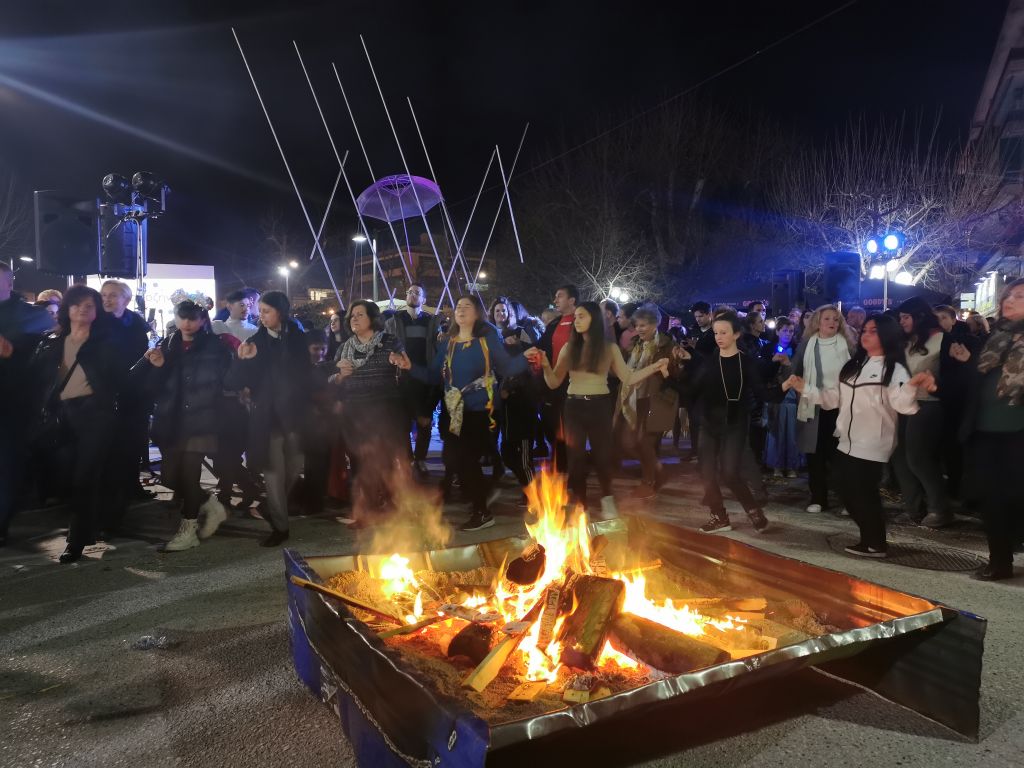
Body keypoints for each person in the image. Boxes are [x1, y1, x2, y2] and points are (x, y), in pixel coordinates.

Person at [792, 314, 935, 557]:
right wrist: (805, 388)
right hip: (846, 438)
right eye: (865, 330)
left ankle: (876, 543)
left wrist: (913, 384)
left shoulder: (894, 368)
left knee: (862, 492)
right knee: (844, 487)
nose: (866, 334)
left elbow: (902, 404)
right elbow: (833, 399)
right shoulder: (854, 365)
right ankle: (869, 539)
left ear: (887, 336)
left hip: (873, 440)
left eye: (873, 331)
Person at [393, 295, 530, 531]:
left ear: (477, 313)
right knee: (454, 460)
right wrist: (410, 368)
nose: (461, 310)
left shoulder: (487, 342)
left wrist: (528, 356)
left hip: (482, 412)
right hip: (454, 412)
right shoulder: (448, 344)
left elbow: (508, 367)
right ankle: (482, 501)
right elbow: (434, 376)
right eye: (458, 306)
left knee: (466, 460)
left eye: (467, 306)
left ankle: (482, 510)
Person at [530, 302, 668, 518]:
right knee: (575, 458)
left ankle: (607, 496)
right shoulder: (569, 347)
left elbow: (628, 378)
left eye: (581, 316)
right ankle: (579, 501)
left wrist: (655, 366)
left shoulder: (609, 348)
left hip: (600, 405)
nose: (576, 320)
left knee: (603, 456)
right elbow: (554, 382)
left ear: (594, 319)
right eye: (575, 316)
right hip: (574, 405)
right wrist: (546, 365)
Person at [675, 312, 794, 534]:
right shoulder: (710, 362)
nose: (719, 337)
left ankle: (754, 512)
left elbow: (763, 394)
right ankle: (719, 517)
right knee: (706, 472)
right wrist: (669, 376)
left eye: (724, 332)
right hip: (709, 423)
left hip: (735, 423)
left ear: (736, 334)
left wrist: (784, 386)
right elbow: (691, 390)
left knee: (730, 473)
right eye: (716, 332)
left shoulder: (747, 363)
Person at [29, 285, 123, 563]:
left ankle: (77, 540)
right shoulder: (52, 342)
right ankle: (94, 523)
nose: (83, 309)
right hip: (63, 415)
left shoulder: (106, 343)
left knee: (84, 477)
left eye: (90, 305)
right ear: (67, 309)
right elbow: (37, 380)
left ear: (96, 312)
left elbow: (121, 380)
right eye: (77, 305)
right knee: (68, 476)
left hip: (96, 415)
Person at [140, 301, 235, 551]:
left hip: (202, 420)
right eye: (182, 317)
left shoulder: (216, 347)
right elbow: (153, 385)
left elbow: (229, 381)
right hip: (172, 420)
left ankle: (189, 528)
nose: (187, 323)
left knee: (190, 473)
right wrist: (158, 367)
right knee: (171, 477)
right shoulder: (167, 344)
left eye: (193, 318)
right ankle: (211, 504)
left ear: (203, 320)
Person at [225, 291, 311, 547]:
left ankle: (269, 506)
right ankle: (280, 526)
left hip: (295, 416)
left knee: (295, 468)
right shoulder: (254, 342)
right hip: (268, 417)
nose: (260, 316)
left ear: (280, 312)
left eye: (266, 311)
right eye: (259, 311)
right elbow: (232, 382)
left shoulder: (297, 337)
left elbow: (305, 373)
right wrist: (242, 361)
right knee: (274, 474)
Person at [958, 278, 1024, 580]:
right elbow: (978, 380)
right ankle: (999, 560)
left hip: (1017, 432)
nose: (1010, 300)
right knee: (992, 498)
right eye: (1008, 295)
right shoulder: (996, 338)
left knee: (1014, 496)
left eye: (1019, 296)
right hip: (986, 431)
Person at [332, 299, 406, 516]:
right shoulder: (344, 348)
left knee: (385, 460)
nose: (354, 318)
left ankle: (393, 506)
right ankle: (367, 508)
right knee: (359, 461)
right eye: (352, 315)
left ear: (373, 318)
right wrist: (338, 376)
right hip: (355, 412)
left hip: (385, 411)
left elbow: (405, 366)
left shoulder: (390, 341)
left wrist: (400, 362)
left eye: (360, 314)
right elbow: (331, 378)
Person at [0, 262, 54, 546]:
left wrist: (13, 348)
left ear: (9, 283)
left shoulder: (29, 315)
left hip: (13, 403)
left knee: (6, 464)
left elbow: (39, 340)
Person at [889, 296, 949, 527]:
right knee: (900, 456)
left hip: (928, 404)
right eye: (900, 317)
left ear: (919, 317)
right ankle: (912, 507)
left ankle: (939, 508)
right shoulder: (906, 342)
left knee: (918, 458)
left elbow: (952, 377)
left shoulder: (942, 340)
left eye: (906, 317)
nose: (902, 321)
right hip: (903, 403)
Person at [99, 279, 154, 528]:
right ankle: (112, 505)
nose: (107, 300)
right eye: (104, 295)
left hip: (134, 395)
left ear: (126, 299)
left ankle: (132, 486)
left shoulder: (136, 326)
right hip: (107, 395)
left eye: (113, 295)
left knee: (134, 444)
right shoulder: (98, 324)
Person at [792, 305, 855, 513]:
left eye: (836, 319)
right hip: (814, 407)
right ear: (817, 321)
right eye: (827, 318)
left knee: (840, 457)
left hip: (840, 406)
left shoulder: (847, 345)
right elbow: (796, 370)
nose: (832, 323)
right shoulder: (807, 344)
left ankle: (847, 500)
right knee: (815, 456)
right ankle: (818, 498)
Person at [614, 305, 681, 498]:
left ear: (655, 324)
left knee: (646, 442)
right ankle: (658, 470)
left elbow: (676, 373)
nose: (640, 329)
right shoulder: (635, 343)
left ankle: (648, 481)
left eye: (644, 325)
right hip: (635, 397)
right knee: (628, 442)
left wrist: (670, 367)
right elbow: (626, 369)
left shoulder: (667, 344)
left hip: (659, 398)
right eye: (637, 325)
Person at [385, 284, 444, 479]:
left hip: (424, 377)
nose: (412, 295)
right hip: (401, 378)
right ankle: (408, 459)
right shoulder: (395, 320)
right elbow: (386, 344)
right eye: (410, 292)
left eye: (417, 292)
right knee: (401, 423)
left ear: (424, 299)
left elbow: (438, 347)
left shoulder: (432, 322)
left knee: (424, 421)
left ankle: (420, 459)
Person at [490, 296, 540, 493]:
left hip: (521, 400)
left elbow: (531, 360)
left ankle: (533, 495)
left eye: (504, 311)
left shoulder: (521, 333)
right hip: (502, 402)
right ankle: (528, 488)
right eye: (497, 311)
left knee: (523, 452)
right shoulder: (491, 337)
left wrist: (518, 345)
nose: (501, 314)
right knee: (507, 450)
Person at [933, 305, 980, 499]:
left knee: (963, 445)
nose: (940, 321)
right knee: (948, 445)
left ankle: (966, 489)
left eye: (944, 317)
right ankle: (953, 485)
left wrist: (964, 360)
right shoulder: (932, 341)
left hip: (963, 399)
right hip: (941, 398)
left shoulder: (970, 340)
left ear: (953, 320)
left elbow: (976, 368)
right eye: (936, 318)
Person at [537, 285, 579, 472]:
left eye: (559, 296)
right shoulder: (554, 324)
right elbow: (541, 346)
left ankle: (567, 467)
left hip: (574, 383)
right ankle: (558, 459)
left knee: (570, 428)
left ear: (572, 300)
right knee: (551, 424)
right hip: (552, 381)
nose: (555, 301)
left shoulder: (581, 323)